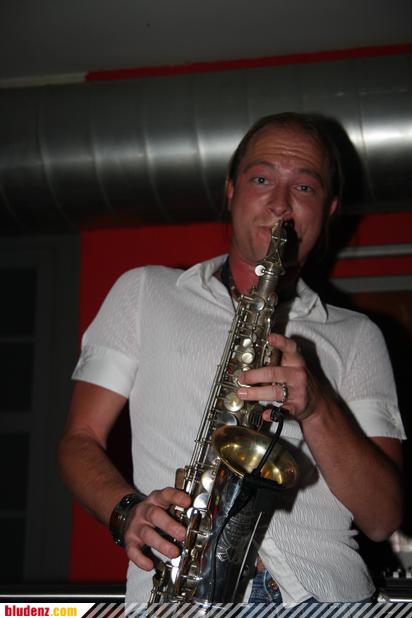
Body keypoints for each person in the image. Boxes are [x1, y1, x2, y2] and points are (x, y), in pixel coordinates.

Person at [58, 112, 406, 606]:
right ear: (230, 190)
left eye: (304, 187)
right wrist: (126, 510)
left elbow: (383, 517)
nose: (280, 204)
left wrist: (317, 407)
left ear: (328, 210)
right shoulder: (143, 292)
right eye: (262, 179)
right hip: (180, 594)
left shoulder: (358, 336)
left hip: (325, 596)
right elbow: (79, 440)